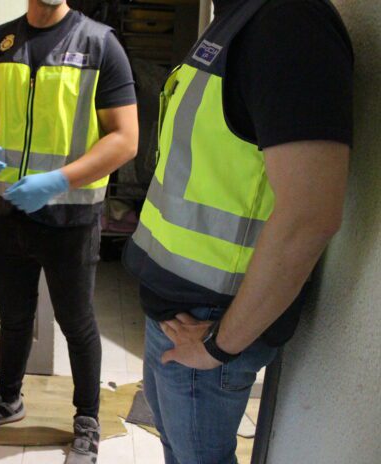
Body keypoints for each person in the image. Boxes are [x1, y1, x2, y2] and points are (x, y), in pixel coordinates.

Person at [122, 0, 353, 463]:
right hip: (178, 312)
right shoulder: (236, 20)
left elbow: (310, 215)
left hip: (212, 321)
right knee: (178, 451)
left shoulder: (288, 23)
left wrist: (218, 345)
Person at [0, 0, 138, 462]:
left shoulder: (100, 46)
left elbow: (125, 138)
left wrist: (59, 181)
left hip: (69, 221)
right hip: (3, 213)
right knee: (14, 318)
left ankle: (87, 418)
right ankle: (8, 398)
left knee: (76, 323)